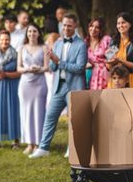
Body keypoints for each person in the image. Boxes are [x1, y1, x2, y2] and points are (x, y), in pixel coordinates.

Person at [30, 14, 87, 158]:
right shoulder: (58, 43)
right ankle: (44, 148)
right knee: (50, 115)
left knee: (74, 119)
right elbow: (53, 67)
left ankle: (72, 148)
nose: (66, 28)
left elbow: (80, 68)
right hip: (58, 86)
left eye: (69, 25)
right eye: (64, 25)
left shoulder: (81, 44)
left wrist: (58, 61)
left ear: (75, 26)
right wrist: (50, 59)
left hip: (74, 87)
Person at [17, 24, 48, 155]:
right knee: (26, 112)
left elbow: (47, 67)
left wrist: (38, 69)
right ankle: (29, 143)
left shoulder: (44, 47)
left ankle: (39, 143)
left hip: (40, 83)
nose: (32, 33)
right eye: (29, 31)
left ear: (39, 33)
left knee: (39, 112)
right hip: (25, 84)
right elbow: (18, 68)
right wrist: (27, 69)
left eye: (34, 31)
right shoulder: (22, 48)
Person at [107, 12, 133, 88]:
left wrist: (121, 61)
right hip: (115, 81)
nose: (120, 25)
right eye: (118, 23)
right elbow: (108, 66)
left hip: (132, 80)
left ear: (130, 24)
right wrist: (110, 62)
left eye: (123, 22)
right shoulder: (113, 42)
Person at [85, 18, 111, 90]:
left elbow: (113, 55)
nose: (93, 29)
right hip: (91, 74)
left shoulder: (106, 39)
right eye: (91, 26)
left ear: (100, 30)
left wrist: (106, 63)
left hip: (104, 73)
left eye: (97, 27)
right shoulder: (85, 42)